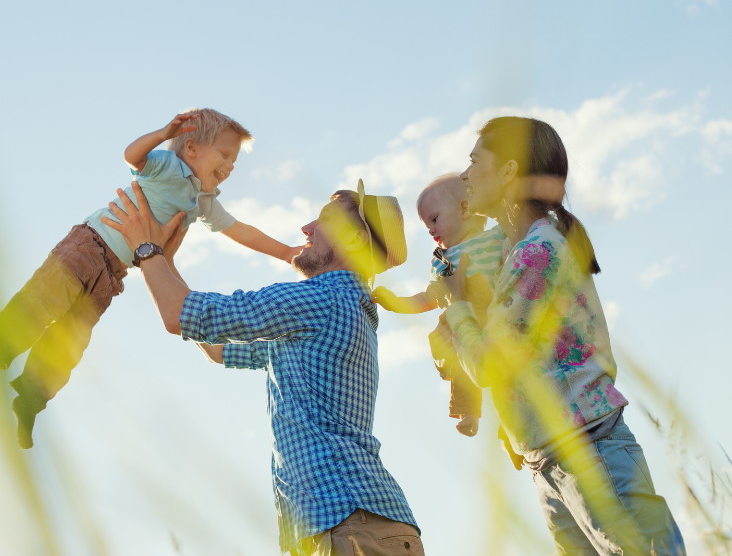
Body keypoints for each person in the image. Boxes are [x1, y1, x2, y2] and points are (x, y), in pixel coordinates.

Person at [103, 179, 424, 556]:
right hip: (349, 524)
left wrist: (147, 248)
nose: (306, 229)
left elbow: (181, 316)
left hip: (349, 522)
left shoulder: (323, 299)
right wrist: (164, 262)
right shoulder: (336, 312)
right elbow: (217, 349)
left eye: (323, 220)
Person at [0, 109, 301, 449]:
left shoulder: (202, 202)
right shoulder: (167, 167)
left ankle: (30, 398)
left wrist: (286, 252)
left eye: (234, 161)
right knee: (41, 304)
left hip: (113, 274)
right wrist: (162, 132)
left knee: (70, 341)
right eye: (226, 155)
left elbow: (240, 230)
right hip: (88, 245)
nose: (230, 167)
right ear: (191, 149)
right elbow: (132, 156)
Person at [439, 116, 684, 553]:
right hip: (552, 459)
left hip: (586, 451)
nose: (465, 175)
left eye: (476, 161)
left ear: (510, 171)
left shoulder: (537, 252)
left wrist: (455, 305)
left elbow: (490, 365)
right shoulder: (519, 247)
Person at [371, 174, 504, 437]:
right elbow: (431, 297)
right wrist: (397, 303)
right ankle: (468, 412)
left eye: (434, 219)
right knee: (460, 364)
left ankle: (508, 429)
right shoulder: (443, 261)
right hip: (461, 320)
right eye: (426, 225)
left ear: (465, 208)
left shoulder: (497, 237)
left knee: (510, 380)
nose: (431, 230)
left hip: (498, 312)